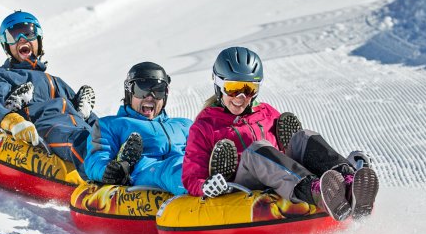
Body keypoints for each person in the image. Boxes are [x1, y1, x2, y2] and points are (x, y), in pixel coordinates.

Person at [181, 46, 379, 221]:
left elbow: (289, 149)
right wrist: (206, 186)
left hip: (277, 176)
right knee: (258, 149)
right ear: (218, 84)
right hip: (242, 183)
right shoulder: (205, 126)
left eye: (249, 89)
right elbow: (191, 178)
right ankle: (317, 191)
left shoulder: (265, 112)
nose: (241, 98)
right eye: (233, 89)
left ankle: (349, 181)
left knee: (303, 137)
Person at [0, 10, 97, 176]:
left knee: (105, 137)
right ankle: (107, 174)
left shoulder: (56, 81)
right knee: (81, 141)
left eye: (28, 33)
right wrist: (11, 120)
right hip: (48, 129)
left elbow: (95, 122)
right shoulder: (3, 76)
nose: (22, 39)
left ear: (39, 40)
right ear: (7, 46)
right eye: (13, 36)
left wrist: (93, 120)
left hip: (80, 129)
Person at [83, 62, 192, 195]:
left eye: (158, 90)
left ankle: (216, 180)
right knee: (170, 168)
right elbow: (95, 160)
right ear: (129, 92)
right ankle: (200, 187)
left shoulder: (184, 125)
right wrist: (110, 171)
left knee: (191, 161)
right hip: (145, 172)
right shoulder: (110, 125)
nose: (150, 96)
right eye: (141, 90)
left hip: (183, 166)